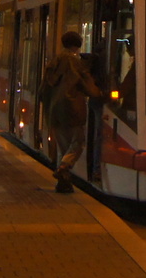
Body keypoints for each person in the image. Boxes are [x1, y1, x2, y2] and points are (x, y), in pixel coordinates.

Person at [41, 30, 103, 193]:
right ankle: (64, 166)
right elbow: (85, 83)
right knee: (77, 142)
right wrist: (100, 93)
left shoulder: (53, 61)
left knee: (63, 146)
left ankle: (63, 183)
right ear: (78, 45)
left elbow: (44, 88)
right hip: (71, 109)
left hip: (54, 110)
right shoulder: (75, 63)